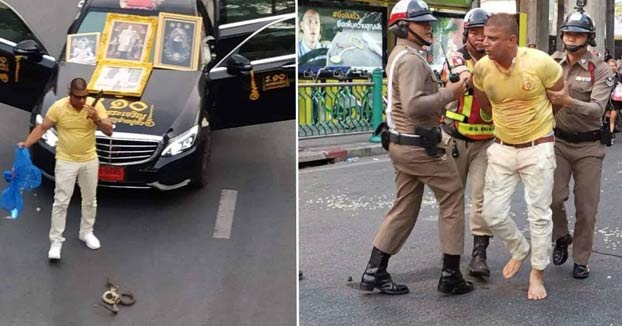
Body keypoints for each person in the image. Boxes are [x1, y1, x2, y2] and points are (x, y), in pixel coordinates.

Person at [359, 0, 473, 296]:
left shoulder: (401, 54)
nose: (429, 27)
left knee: (405, 206)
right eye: (422, 23)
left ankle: (375, 271)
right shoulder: (410, 59)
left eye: (429, 22)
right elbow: (412, 106)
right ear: (403, 27)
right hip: (419, 146)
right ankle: (450, 275)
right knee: (452, 196)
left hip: (402, 144)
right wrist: (451, 92)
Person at [472, 13, 564, 300]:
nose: (485, 43)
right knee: (491, 213)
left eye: (493, 38)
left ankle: (537, 273)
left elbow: (559, 97)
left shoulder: (540, 63)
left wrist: (541, 126)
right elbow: (482, 99)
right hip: (501, 147)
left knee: (539, 214)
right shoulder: (482, 67)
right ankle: (519, 248)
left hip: (538, 147)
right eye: (484, 37)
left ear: (512, 41)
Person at [546, 10, 614, 280]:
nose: (572, 37)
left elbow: (598, 110)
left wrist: (567, 101)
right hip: (559, 141)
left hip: (589, 148)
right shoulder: (552, 63)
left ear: (589, 38)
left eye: (579, 33)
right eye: (568, 32)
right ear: (562, 35)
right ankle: (561, 236)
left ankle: (581, 259)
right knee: (551, 199)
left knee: (586, 208)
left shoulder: (600, 69)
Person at [18, 78, 113, 260]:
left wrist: (96, 119)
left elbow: (109, 131)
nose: (82, 101)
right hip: (65, 161)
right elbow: (43, 127)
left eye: (85, 97)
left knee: (90, 200)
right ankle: (56, 241)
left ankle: (86, 232)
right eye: (78, 97)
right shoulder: (58, 107)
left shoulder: (96, 106)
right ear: (70, 95)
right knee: (61, 202)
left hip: (89, 160)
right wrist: (26, 143)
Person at [441, 8, 495, 278]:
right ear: (467, 34)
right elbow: (463, 80)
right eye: (475, 32)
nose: (480, 38)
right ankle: (450, 258)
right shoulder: (455, 58)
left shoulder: (500, 60)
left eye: (485, 32)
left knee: (482, 199)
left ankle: (479, 255)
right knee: (452, 199)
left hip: (487, 142)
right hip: (456, 139)